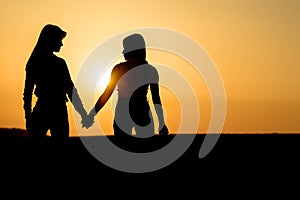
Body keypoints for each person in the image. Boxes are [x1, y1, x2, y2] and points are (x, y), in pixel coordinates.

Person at [88, 33, 169, 138]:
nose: (123, 51)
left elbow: (106, 94)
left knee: (122, 147)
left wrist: (91, 115)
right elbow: (156, 99)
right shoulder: (150, 70)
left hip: (123, 110)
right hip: (142, 110)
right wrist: (161, 123)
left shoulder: (118, 69)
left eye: (125, 48)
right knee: (145, 149)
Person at [23, 24, 92, 140]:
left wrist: (28, 117)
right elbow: (71, 91)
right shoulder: (59, 63)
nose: (61, 43)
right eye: (59, 40)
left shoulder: (34, 62)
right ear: (51, 40)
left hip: (42, 110)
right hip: (57, 112)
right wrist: (83, 114)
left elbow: (27, 93)